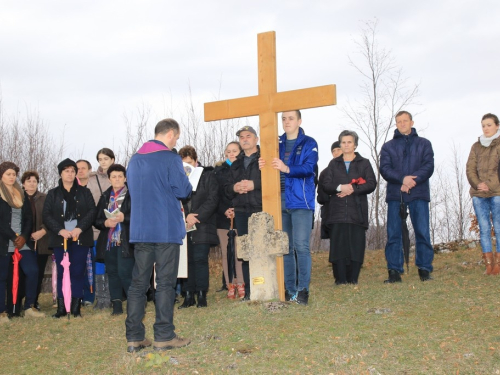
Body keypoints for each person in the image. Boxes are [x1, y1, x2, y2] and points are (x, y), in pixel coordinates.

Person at [125, 118, 192, 353]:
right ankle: (164, 336)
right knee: (164, 283)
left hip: (141, 230)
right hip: (165, 228)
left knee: (138, 284)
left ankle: (134, 337)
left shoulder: (134, 160)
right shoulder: (171, 158)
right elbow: (183, 190)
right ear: (171, 134)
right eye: (177, 137)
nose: (176, 141)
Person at [259, 110, 318, 305]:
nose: (286, 122)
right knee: (285, 247)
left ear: (299, 121)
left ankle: (303, 290)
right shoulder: (275, 143)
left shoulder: (309, 143)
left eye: (291, 118)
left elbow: (309, 168)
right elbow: (268, 169)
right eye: (283, 118)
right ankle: (290, 289)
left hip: (301, 201)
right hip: (279, 200)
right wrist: (262, 165)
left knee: (301, 246)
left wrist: (287, 168)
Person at [380, 111, 435, 283]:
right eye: (399, 121)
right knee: (394, 233)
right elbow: (385, 169)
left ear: (412, 122)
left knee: (422, 232)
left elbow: (428, 166)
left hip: (418, 193)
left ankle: (424, 269)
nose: (402, 124)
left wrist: (412, 181)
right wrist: (402, 179)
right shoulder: (387, 147)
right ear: (396, 124)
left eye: (405, 121)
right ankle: (394, 271)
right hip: (396, 195)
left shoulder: (424, 144)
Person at [319, 131, 376, 284]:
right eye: (343, 142)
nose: (346, 145)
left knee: (355, 246)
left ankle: (353, 279)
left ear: (355, 144)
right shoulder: (333, 164)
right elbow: (326, 184)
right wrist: (340, 187)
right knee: (338, 246)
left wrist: (352, 189)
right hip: (337, 212)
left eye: (349, 142)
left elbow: (371, 183)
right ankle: (340, 279)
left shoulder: (364, 163)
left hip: (356, 211)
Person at [42, 158, 96, 318]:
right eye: (67, 171)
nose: (70, 174)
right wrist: (60, 230)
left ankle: (75, 308)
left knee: (78, 271)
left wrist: (79, 228)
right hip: (61, 239)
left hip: (80, 237)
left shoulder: (84, 192)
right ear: (60, 173)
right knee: (62, 271)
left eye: (73, 171)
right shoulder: (53, 193)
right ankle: (61, 308)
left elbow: (92, 212)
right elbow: (46, 215)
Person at [0, 162, 45, 322]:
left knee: (32, 270)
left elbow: (28, 218)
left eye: (13, 174)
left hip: (22, 241)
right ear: (2, 176)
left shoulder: (21, 194)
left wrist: (24, 236)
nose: (11, 177)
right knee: (3, 276)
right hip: (4, 241)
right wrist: (14, 237)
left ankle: (29, 306)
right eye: (8, 174)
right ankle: (2, 312)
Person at [177, 146, 219, 308]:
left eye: (189, 163)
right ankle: (188, 295)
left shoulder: (208, 175)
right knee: (186, 260)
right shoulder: (178, 178)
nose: (186, 167)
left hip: (203, 223)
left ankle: (201, 294)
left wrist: (196, 216)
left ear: (195, 161)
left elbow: (212, 199)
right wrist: (185, 217)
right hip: (183, 224)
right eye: (183, 164)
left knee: (200, 259)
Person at [225, 125, 262, 301]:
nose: (245, 139)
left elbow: (275, 181)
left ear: (256, 139)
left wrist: (255, 185)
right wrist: (234, 187)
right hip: (240, 211)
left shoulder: (264, 158)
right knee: (246, 253)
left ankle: (263, 288)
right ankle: (248, 292)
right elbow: (227, 189)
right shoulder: (236, 163)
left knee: (261, 251)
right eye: (241, 137)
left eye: (248, 136)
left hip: (259, 209)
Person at [94, 164, 134, 315]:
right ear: (109, 179)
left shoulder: (132, 195)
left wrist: (125, 218)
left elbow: (139, 217)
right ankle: (116, 305)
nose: (117, 179)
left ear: (125, 178)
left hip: (126, 241)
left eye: (120, 176)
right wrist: (105, 223)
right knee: (112, 273)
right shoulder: (105, 196)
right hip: (109, 242)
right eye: (114, 177)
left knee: (125, 273)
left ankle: (133, 305)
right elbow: (96, 220)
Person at [466, 113, 500, 275]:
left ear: (497, 126)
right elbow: (470, 169)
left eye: (489, 125)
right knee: (484, 229)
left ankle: (498, 265)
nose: (486, 128)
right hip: (479, 194)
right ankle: (489, 266)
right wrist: (478, 184)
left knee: (499, 228)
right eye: (483, 125)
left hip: (497, 192)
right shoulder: (476, 146)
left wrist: (490, 185)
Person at [214, 142, 245, 299]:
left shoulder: (244, 168)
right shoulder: (218, 171)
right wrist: (224, 210)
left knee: (239, 252)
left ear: (240, 152)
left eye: (235, 151)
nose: (231, 154)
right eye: (229, 151)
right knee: (227, 252)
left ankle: (241, 283)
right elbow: (215, 196)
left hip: (240, 214)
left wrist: (236, 209)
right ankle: (229, 284)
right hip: (223, 216)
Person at [86, 148, 115, 308]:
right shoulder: (92, 180)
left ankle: (113, 296)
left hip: (117, 228)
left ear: (113, 159)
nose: (103, 162)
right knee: (99, 262)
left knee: (113, 263)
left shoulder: (120, 176)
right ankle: (101, 298)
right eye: (100, 159)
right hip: (98, 228)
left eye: (106, 158)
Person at [21, 171, 50, 310]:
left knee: (38, 272)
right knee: (22, 273)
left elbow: (51, 217)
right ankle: (18, 300)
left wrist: (43, 231)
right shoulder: (17, 197)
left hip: (41, 241)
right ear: (23, 184)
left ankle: (34, 301)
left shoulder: (45, 198)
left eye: (34, 181)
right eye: (28, 181)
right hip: (22, 242)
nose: (32, 184)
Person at [318, 141, 343, 241]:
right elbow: (321, 197)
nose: (336, 153)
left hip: (349, 213)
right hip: (331, 212)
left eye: (338, 149)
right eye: (334, 151)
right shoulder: (325, 173)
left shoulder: (353, 169)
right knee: (335, 243)